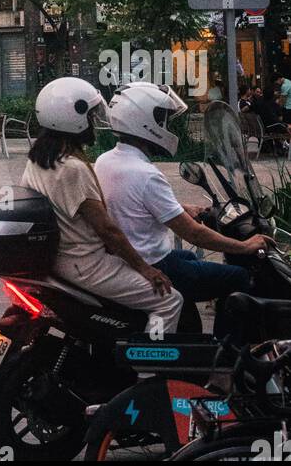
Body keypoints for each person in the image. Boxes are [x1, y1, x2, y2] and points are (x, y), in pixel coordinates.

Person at [95, 83, 266, 334]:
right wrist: (245, 246)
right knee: (238, 276)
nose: (167, 126)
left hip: (130, 257)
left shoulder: (106, 160)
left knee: (187, 257)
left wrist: (182, 207)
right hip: (153, 264)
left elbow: (131, 202)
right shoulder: (146, 174)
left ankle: (187, 332)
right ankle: (225, 353)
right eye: (162, 119)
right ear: (143, 121)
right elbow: (194, 234)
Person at [22, 77, 184, 333]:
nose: (95, 124)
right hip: (87, 263)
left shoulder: (41, 158)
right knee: (170, 300)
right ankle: (149, 371)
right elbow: (107, 230)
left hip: (61, 257)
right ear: (73, 118)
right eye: (90, 116)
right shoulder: (72, 168)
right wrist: (145, 269)